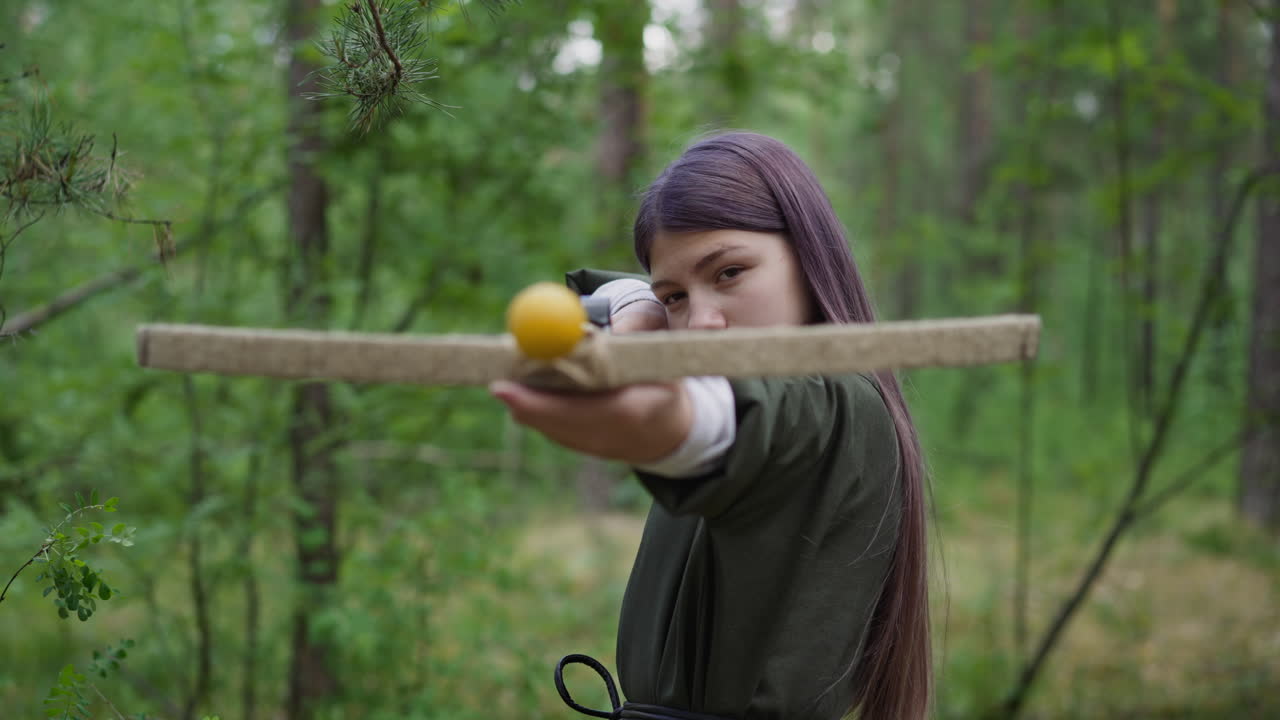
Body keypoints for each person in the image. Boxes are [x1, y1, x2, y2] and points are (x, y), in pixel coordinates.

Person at [490, 132, 931, 720]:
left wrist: (669, 424)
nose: (700, 323)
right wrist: (639, 304)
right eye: (675, 298)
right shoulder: (729, 365)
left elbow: (744, 423)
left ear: (809, 256)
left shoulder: (844, 408)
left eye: (729, 273)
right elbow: (639, 300)